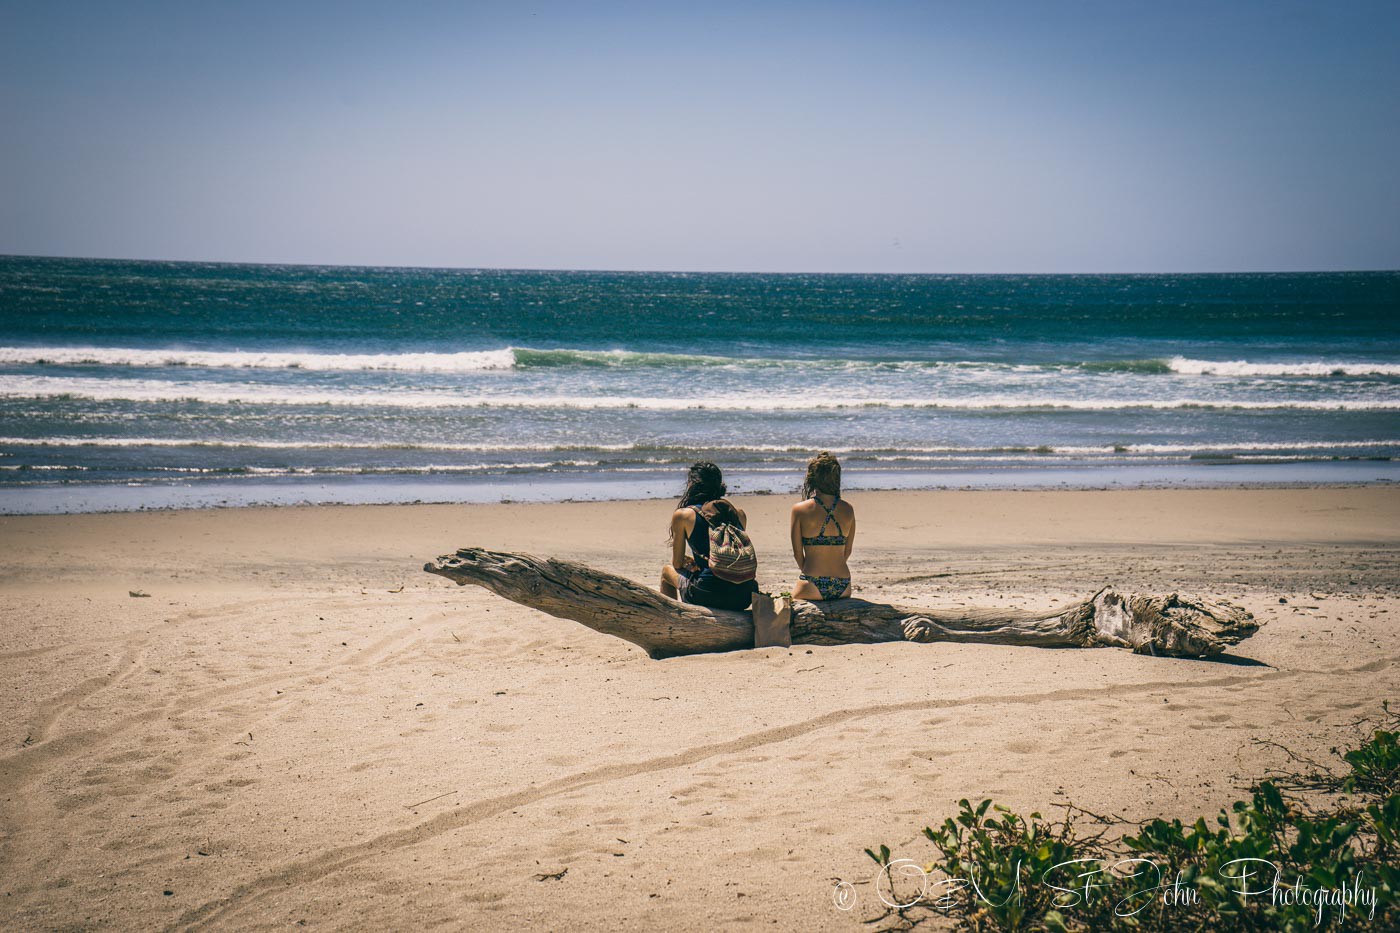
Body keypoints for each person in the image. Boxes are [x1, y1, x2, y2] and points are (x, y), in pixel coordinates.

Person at [660, 462, 760, 611]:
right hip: (744, 596)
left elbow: (677, 564)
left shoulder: (684, 515)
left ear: (691, 485)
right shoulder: (738, 514)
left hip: (706, 594)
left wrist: (690, 562)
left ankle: (670, 621)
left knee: (667, 571)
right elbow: (729, 554)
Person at [789, 451, 856, 600]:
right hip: (843, 583)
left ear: (812, 479)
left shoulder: (799, 510)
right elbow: (848, 551)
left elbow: (798, 554)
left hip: (812, 582)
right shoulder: (848, 509)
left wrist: (809, 572)